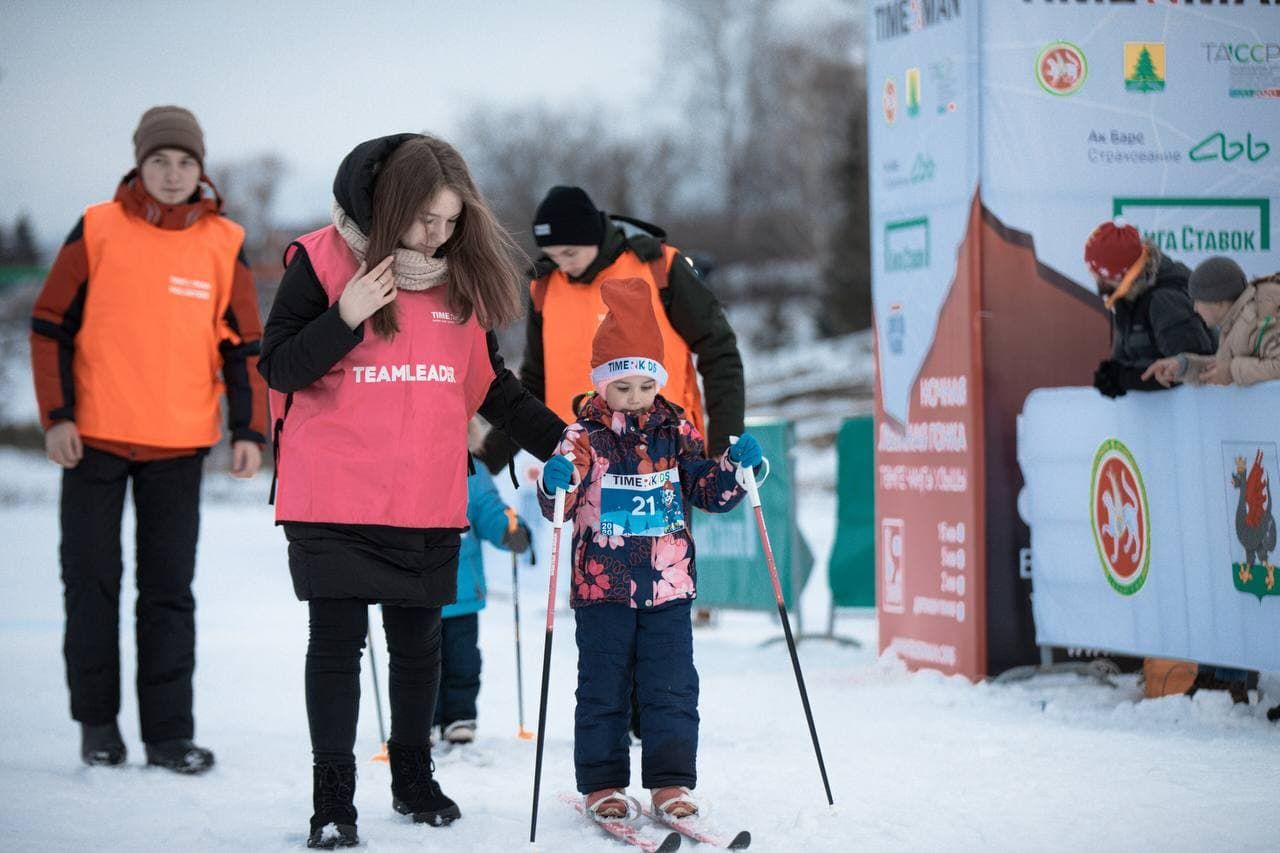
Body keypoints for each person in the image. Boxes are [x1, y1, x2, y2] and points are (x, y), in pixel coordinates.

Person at [257, 133, 564, 849]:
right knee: (335, 646)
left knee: (418, 646)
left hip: (425, 492)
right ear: (392, 204)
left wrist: (565, 441)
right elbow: (278, 367)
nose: (439, 234)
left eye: (452, 221)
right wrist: (345, 316)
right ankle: (332, 800)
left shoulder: (460, 280)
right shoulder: (322, 260)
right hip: (331, 494)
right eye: (427, 219)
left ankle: (413, 778)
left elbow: (493, 388)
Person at [28, 105, 266, 774]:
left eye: (185, 162)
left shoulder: (224, 240)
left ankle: (168, 735)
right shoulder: (97, 227)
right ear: (139, 163)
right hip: (92, 442)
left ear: (201, 169)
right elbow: (49, 326)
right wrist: (57, 417)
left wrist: (250, 429)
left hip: (179, 446)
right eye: (160, 160)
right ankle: (98, 726)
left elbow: (246, 344)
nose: (171, 173)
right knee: (92, 583)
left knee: (168, 592)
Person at [537, 277, 763, 821]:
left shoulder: (676, 430)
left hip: (668, 585)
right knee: (603, 691)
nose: (635, 396)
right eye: (622, 386)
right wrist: (554, 482)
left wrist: (737, 470)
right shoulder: (581, 436)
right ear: (601, 384)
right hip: (603, 587)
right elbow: (558, 510)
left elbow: (707, 491)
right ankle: (603, 785)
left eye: (644, 384)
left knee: (671, 688)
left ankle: (670, 784)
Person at [478, 185, 745, 471]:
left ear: (591, 235)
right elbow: (534, 383)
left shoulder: (659, 268)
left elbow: (719, 351)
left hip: (662, 456)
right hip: (580, 465)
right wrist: (488, 460)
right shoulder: (544, 288)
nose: (563, 265)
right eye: (554, 256)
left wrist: (724, 443)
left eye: (569, 253)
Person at [433, 425, 533, 746]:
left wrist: (508, 529)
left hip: (460, 591)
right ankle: (423, 717)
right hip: (411, 594)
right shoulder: (397, 465)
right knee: (416, 661)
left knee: (463, 660)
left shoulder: (471, 472)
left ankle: (460, 716)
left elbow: (488, 509)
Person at [1085, 219, 1215, 398]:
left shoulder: (1164, 301)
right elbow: (1124, 361)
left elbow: (1194, 366)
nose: (1093, 276)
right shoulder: (1126, 297)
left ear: (1119, 274)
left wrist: (1124, 378)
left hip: (1195, 415)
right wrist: (1115, 374)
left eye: (1097, 272)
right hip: (1160, 417)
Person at [1141, 257, 1280, 388]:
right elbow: (1228, 365)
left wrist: (1232, 371)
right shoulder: (1238, 320)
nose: (1194, 309)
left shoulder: (1262, 318)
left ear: (1218, 302)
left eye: (1198, 301)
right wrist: (1185, 366)